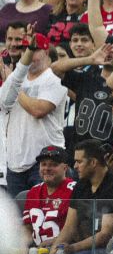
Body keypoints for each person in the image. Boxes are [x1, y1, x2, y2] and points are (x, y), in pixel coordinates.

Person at [0, 32, 67, 197]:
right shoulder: (14, 80)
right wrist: (13, 82)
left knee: (45, 215)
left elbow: (38, 110)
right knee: (18, 219)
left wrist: (15, 85)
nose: (27, 55)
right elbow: (3, 103)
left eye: (33, 50)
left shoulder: (55, 79)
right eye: (24, 51)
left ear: (45, 52)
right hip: (15, 164)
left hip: (46, 162)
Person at [45, 140, 113, 254]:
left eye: (79, 162)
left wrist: (72, 248)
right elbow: (68, 227)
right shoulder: (81, 186)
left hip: (111, 249)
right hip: (84, 246)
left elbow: (105, 235)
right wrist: (54, 251)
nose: (75, 166)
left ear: (93, 162)